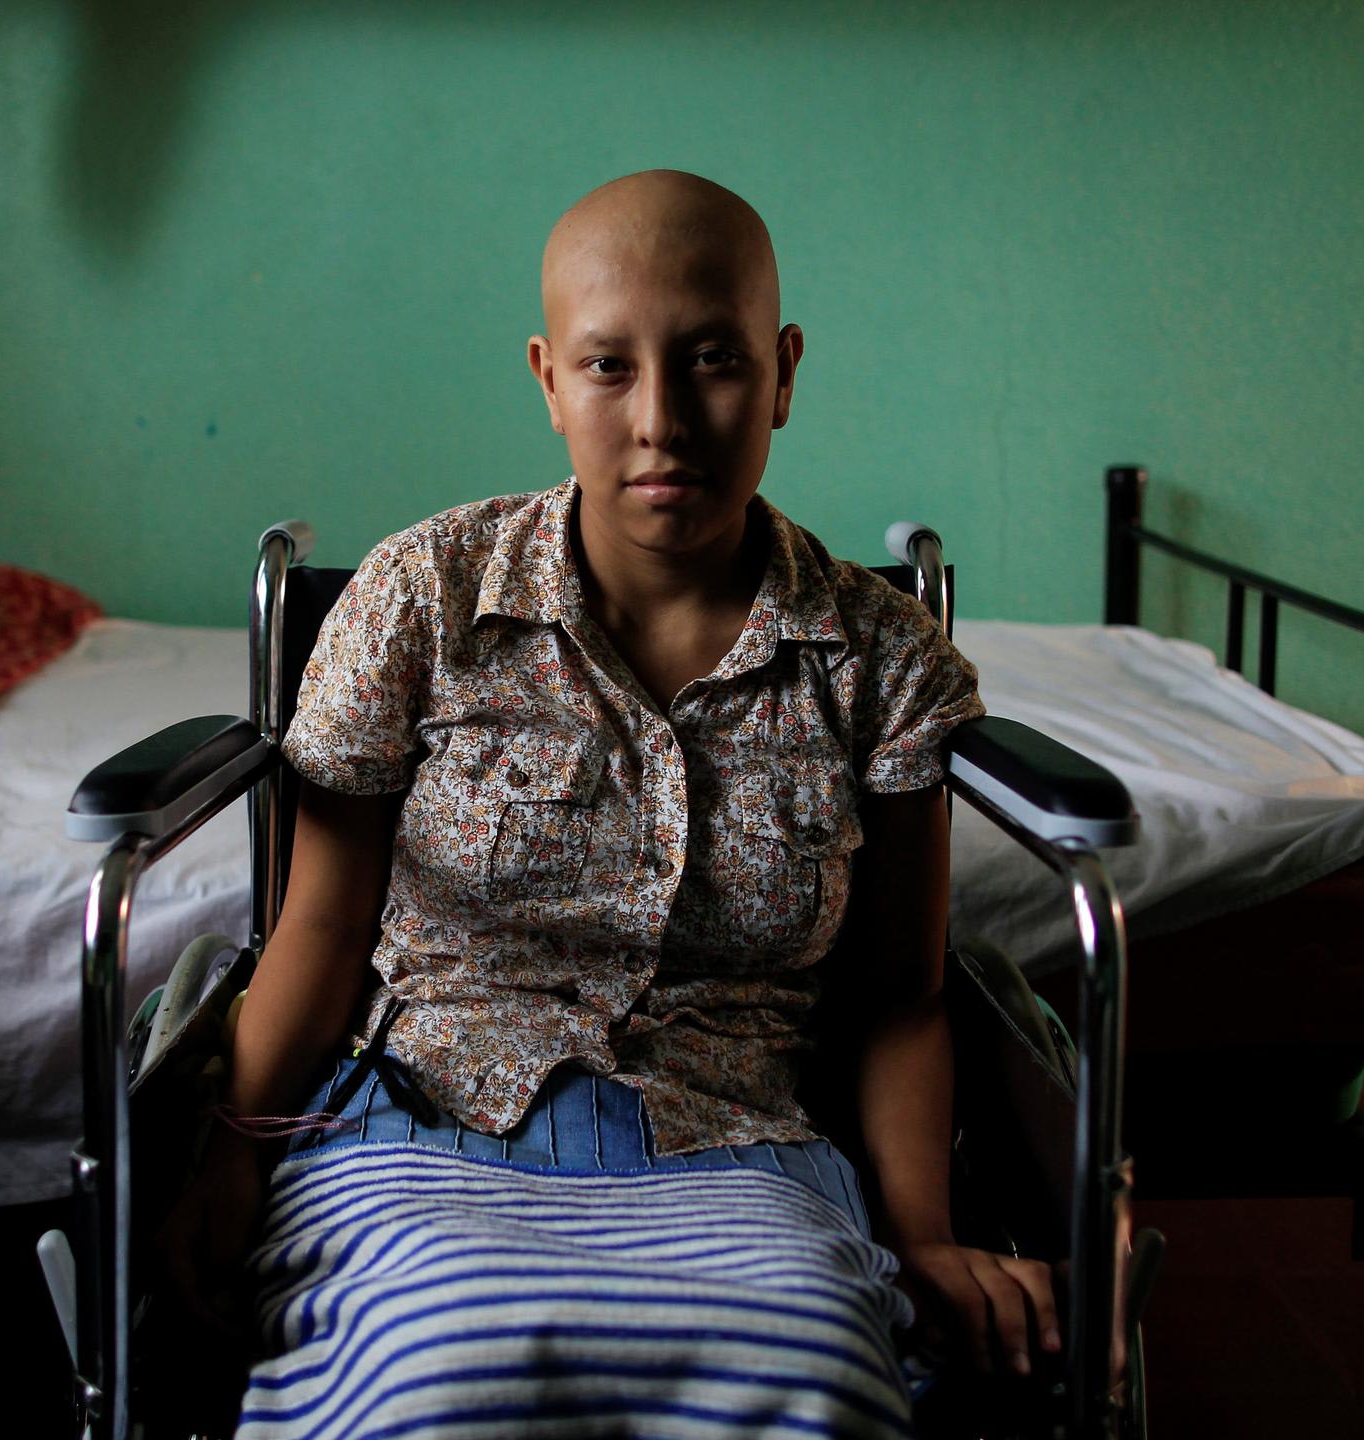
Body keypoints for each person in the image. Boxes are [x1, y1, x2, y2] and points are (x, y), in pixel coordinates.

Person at [162, 169, 1063, 1437]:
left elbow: (901, 998)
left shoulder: (883, 659)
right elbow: (316, 930)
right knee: (440, 1374)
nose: (663, 421)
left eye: (712, 360)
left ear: (784, 371)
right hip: (428, 1128)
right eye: (607, 368)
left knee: (815, 1375)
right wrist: (233, 1153)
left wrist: (924, 1238)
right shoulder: (423, 596)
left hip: (741, 1146)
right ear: (547, 380)